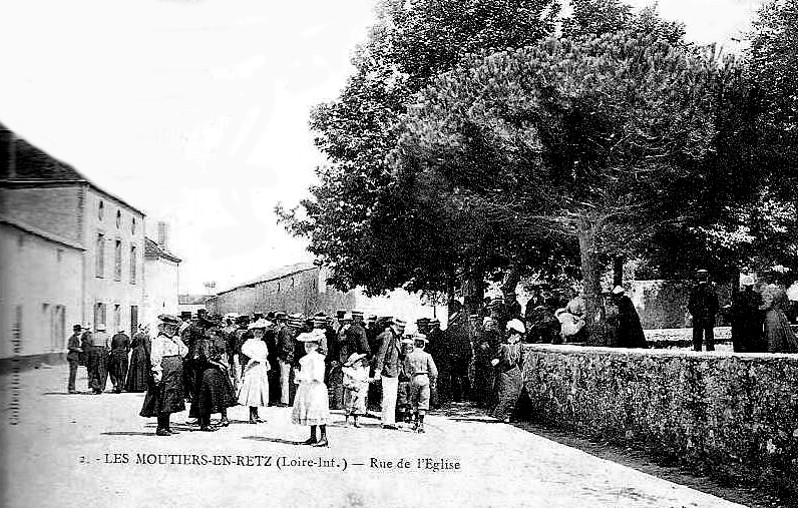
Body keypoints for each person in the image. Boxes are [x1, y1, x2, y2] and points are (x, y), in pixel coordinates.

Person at [140, 314, 189, 436]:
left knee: (172, 399)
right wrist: (157, 373)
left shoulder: (175, 340)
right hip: (165, 372)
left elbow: (184, 353)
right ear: (163, 328)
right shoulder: (159, 341)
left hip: (176, 372)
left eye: (174, 328)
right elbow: (155, 357)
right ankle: (161, 427)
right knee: (163, 398)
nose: (172, 330)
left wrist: (178, 342)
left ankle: (166, 426)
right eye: (169, 328)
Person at [189, 321, 237, 431]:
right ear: (204, 330)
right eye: (210, 330)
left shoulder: (210, 340)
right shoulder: (202, 341)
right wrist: (219, 364)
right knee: (205, 397)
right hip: (206, 372)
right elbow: (206, 358)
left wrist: (221, 363)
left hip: (210, 372)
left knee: (210, 396)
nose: (213, 332)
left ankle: (206, 421)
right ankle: (204, 422)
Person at [292, 329, 331, 447]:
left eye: (310, 345)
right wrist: (299, 376)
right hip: (307, 387)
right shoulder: (307, 358)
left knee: (317, 410)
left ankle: (324, 437)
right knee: (309, 410)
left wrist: (301, 376)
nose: (307, 347)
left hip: (315, 388)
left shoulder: (317, 358)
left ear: (315, 345)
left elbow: (317, 376)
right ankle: (313, 436)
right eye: (306, 345)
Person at [491, 319, 525, 423]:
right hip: (505, 372)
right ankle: (501, 414)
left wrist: (521, 372)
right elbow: (494, 359)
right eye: (517, 335)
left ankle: (509, 414)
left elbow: (521, 360)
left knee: (516, 393)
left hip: (515, 371)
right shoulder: (502, 346)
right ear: (512, 334)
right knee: (507, 393)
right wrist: (498, 361)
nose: (519, 337)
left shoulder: (519, 346)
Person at [238, 319, 271, 424]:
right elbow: (244, 351)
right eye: (257, 332)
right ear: (253, 332)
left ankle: (256, 414)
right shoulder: (249, 342)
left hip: (261, 369)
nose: (259, 334)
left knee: (260, 390)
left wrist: (264, 362)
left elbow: (265, 355)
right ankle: (251, 415)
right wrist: (254, 357)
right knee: (253, 390)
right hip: (253, 368)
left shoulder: (263, 343)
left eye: (261, 332)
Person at [375, 318, 406, 429]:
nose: (402, 329)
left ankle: (388, 420)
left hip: (394, 370)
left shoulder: (397, 336)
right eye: (401, 327)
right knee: (389, 396)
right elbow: (381, 353)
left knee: (392, 396)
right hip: (388, 370)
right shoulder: (389, 335)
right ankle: (387, 421)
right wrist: (378, 370)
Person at [404, 333, 438, 433]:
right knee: (423, 400)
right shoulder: (427, 356)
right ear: (423, 344)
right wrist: (433, 381)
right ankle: (422, 424)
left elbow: (406, 370)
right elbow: (434, 371)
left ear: (414, 344)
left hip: (414, 378)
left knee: (414, 399)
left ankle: (415, 422)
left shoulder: (409, 356)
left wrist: (410, 377)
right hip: (425, 378)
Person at [730, 276, 765, 352]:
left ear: (744, 286)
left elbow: (735, 311)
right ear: (752, 286)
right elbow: (761, 310)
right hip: (754, 325)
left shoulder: (739, 296)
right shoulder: (757, 296)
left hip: (742, 324)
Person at [761, 284, 798, 353]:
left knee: (772, 334)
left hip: (772, 315)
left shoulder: (768, 293)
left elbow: (768, 304)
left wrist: (761, 308)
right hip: (779, 314)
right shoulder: (779, 293)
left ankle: (773, 348)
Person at [688, 269, 719, 351]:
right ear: (707, 277)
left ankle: (697, 351)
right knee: (709, 336)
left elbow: (691, 305)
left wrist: (695, 313)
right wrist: (711, 313)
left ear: (698, 278)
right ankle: (710, 352)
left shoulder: (695, 290)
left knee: (697, 337)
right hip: (709, 316)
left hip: (698, 317)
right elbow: (716, 305)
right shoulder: (711, 290)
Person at [342, 352, 371, 428]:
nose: (360, 363)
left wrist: (369, 380)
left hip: (359, 391)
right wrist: (352, 386)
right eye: (358, 362)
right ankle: (347, 421)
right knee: (349, 405)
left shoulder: (361, 371)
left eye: (360, 362)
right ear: (353, 363)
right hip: (350, 391)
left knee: (358, 406)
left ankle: (356, 421)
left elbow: (364, 379)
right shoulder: (348, 371)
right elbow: (345, 382)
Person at [275, 313, 295, 407]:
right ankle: (287, 400)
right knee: (286, 379)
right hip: (287, 357)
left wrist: (283, 355)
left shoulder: (284, 331)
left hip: (285, 358)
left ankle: (285, 400)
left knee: (284, 379)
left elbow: (287, 346)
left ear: (278, 321)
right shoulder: (287, 330)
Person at [125, 325, 151, 392]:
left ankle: (132, 386)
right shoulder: (146, 336)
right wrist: (149, 355)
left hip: (135, 353)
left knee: (134, 369)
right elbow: (147, 347)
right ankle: (141, 386)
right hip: (142, 353)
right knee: (142, 369)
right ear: (145, 329)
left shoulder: (135, 335)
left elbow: (132, 345)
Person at [87, 323, 110, 394]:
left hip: (93, 352)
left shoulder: (92, 335)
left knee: (93, 370)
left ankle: (94, 386)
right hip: (103, 352)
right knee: (102, 370)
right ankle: (101, 387)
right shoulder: (107, 336)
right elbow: (108, 346)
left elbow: (89, 344)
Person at [396, 337, 415, 425]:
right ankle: (403, 416)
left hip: (408, 380)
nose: (408, 350)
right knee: (403, 398)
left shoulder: (407, 358)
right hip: (404, 380)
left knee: (409, 398)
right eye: (406, 348)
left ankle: (408, 415)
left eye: (410, 348)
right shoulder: (400, 358)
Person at [108, 328, 131, 393]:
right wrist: (125, 352)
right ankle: (120, 385)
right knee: (123, 370)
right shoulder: (126, 337)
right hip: (123, 354)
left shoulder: (114, 337)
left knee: (113, 369)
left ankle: (115, 384)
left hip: (114, 354)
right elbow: (128, 348)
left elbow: (112, 346)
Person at [66, 325, 83, 394]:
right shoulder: (72, 338)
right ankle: (71, 388)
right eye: (78, 331)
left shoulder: (75, 338)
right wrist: (77, 349)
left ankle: (72, 388)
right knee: (73, 373)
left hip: (75, 357)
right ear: (75, 331)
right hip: (73, 357)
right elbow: (69, 346)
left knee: (73, 373)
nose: (79, 332)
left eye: (79, 331)